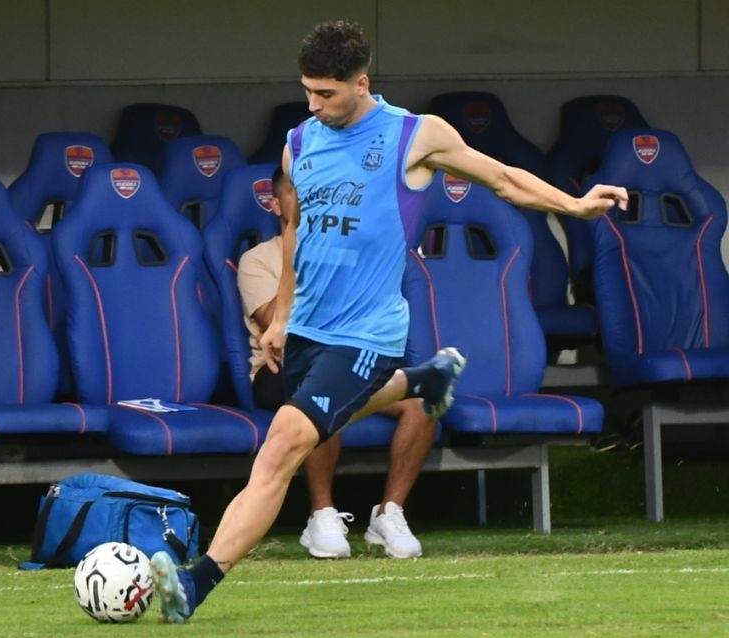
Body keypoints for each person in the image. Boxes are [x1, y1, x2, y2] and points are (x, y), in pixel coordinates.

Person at [150, 19, 628, 624]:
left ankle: (195, 585)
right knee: (327, 418)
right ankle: (424, 380)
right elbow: (297, 230)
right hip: (308, 331)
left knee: (280, 448)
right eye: (307, 91)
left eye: (326, 93)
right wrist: (281, 315)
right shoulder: (299, 142)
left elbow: (504, 179)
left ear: (361, 82)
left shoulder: (414, 135)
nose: (313, 105)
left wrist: (575, 205)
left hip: (366, 333)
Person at [238, 165, 437, 559]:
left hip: (350, 359)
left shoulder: (348, 249)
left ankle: (389, 513)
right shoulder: (257, 259)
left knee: (423, 398)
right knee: (320, 389)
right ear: (275, 205)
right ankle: (321, 515)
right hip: (279, 369)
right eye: (297, 192)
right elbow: (276, 323)